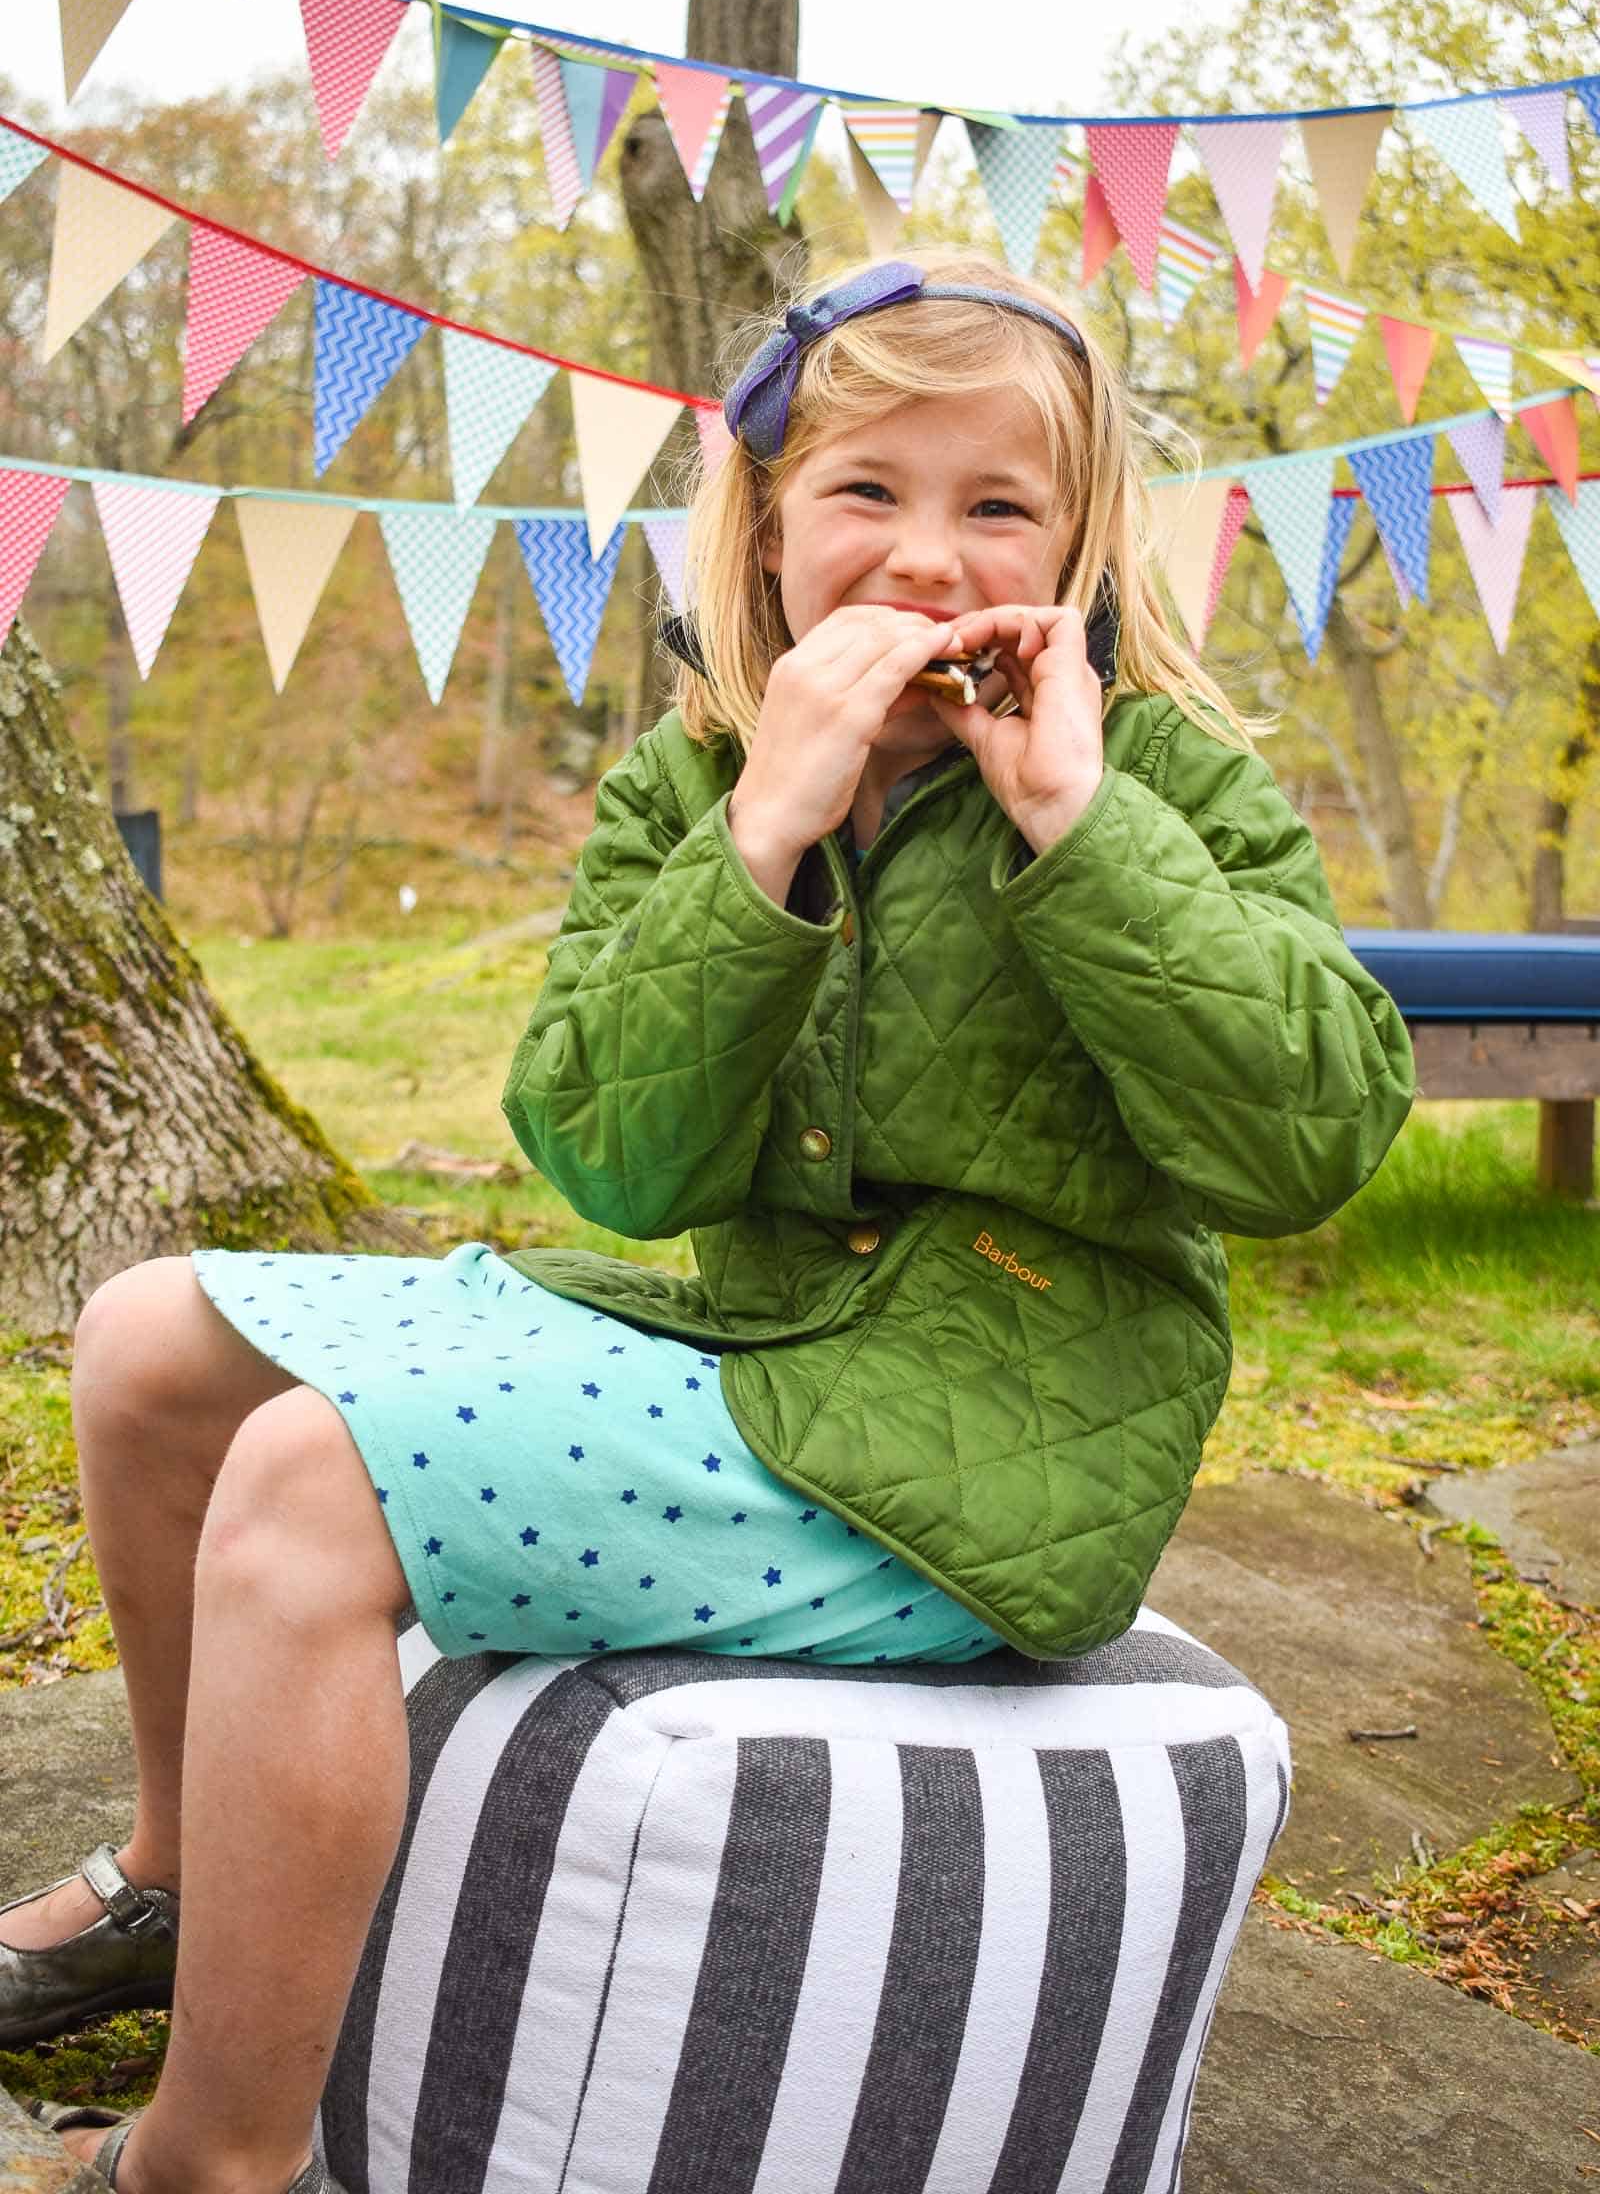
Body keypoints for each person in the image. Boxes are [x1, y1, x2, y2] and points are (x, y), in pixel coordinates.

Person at [4, 246, 1416, 2190]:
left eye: (993, 504)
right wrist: (764, 832)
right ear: (762, 537)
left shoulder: (1166, 787)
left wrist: (1080, 833)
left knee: (310, 1486)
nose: (926, 554)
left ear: (1078, 553)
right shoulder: (696, 783)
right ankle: (177, 1875)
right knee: (154, 1337)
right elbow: (613, 1161)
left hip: (985, 1452)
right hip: (755, 1347)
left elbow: (1307, 1144)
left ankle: (210, 2161)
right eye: (865, 493)